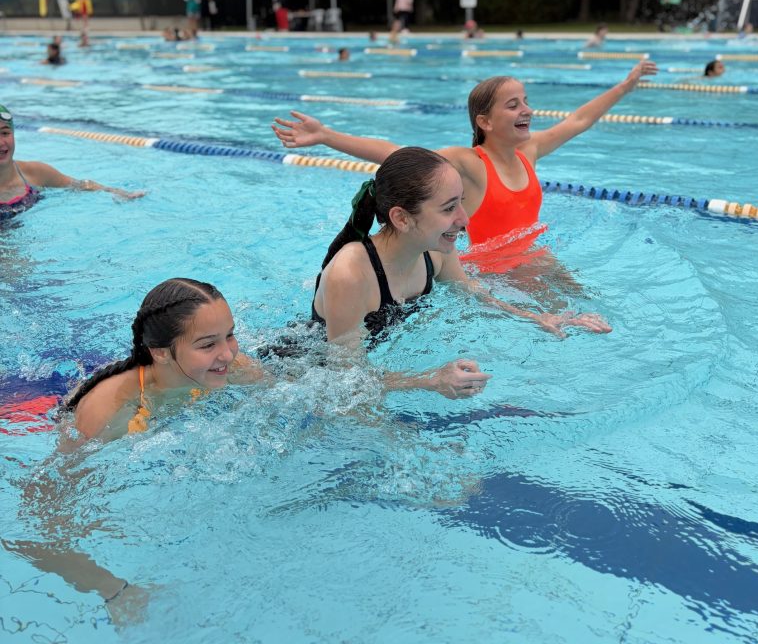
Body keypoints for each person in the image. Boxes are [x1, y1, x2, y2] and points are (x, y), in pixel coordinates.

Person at [272, 60, 658, 274]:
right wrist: (325, 136)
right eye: (513, 105)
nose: (527, 110)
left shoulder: (530, 151)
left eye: (526, 101)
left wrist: (625, 86)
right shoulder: (469, 163)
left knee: (591, 312)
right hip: (487, 274)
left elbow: (578, 120)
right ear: (484, 122)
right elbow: (396, 153)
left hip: (532, 258)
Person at [312, 148, 608, 385]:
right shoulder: (351, 274)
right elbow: (346, 378)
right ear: (402, 218)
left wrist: (537, 317)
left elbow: (469, 291)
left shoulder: (435, 251)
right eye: (448, 208)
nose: (465, 220)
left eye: (461, 202)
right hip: (304, 372)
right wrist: (429, 380)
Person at [64, 278, 269, 440]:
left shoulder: (233, 365)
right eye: (208, 345)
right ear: (161, 352)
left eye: (229, 335)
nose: (228, 354)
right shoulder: (107, 407)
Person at [0, 104, 144, 219]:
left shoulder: (35, 173)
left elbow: (80, 185)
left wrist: (113, 191)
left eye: (5, 133)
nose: (1, 142)